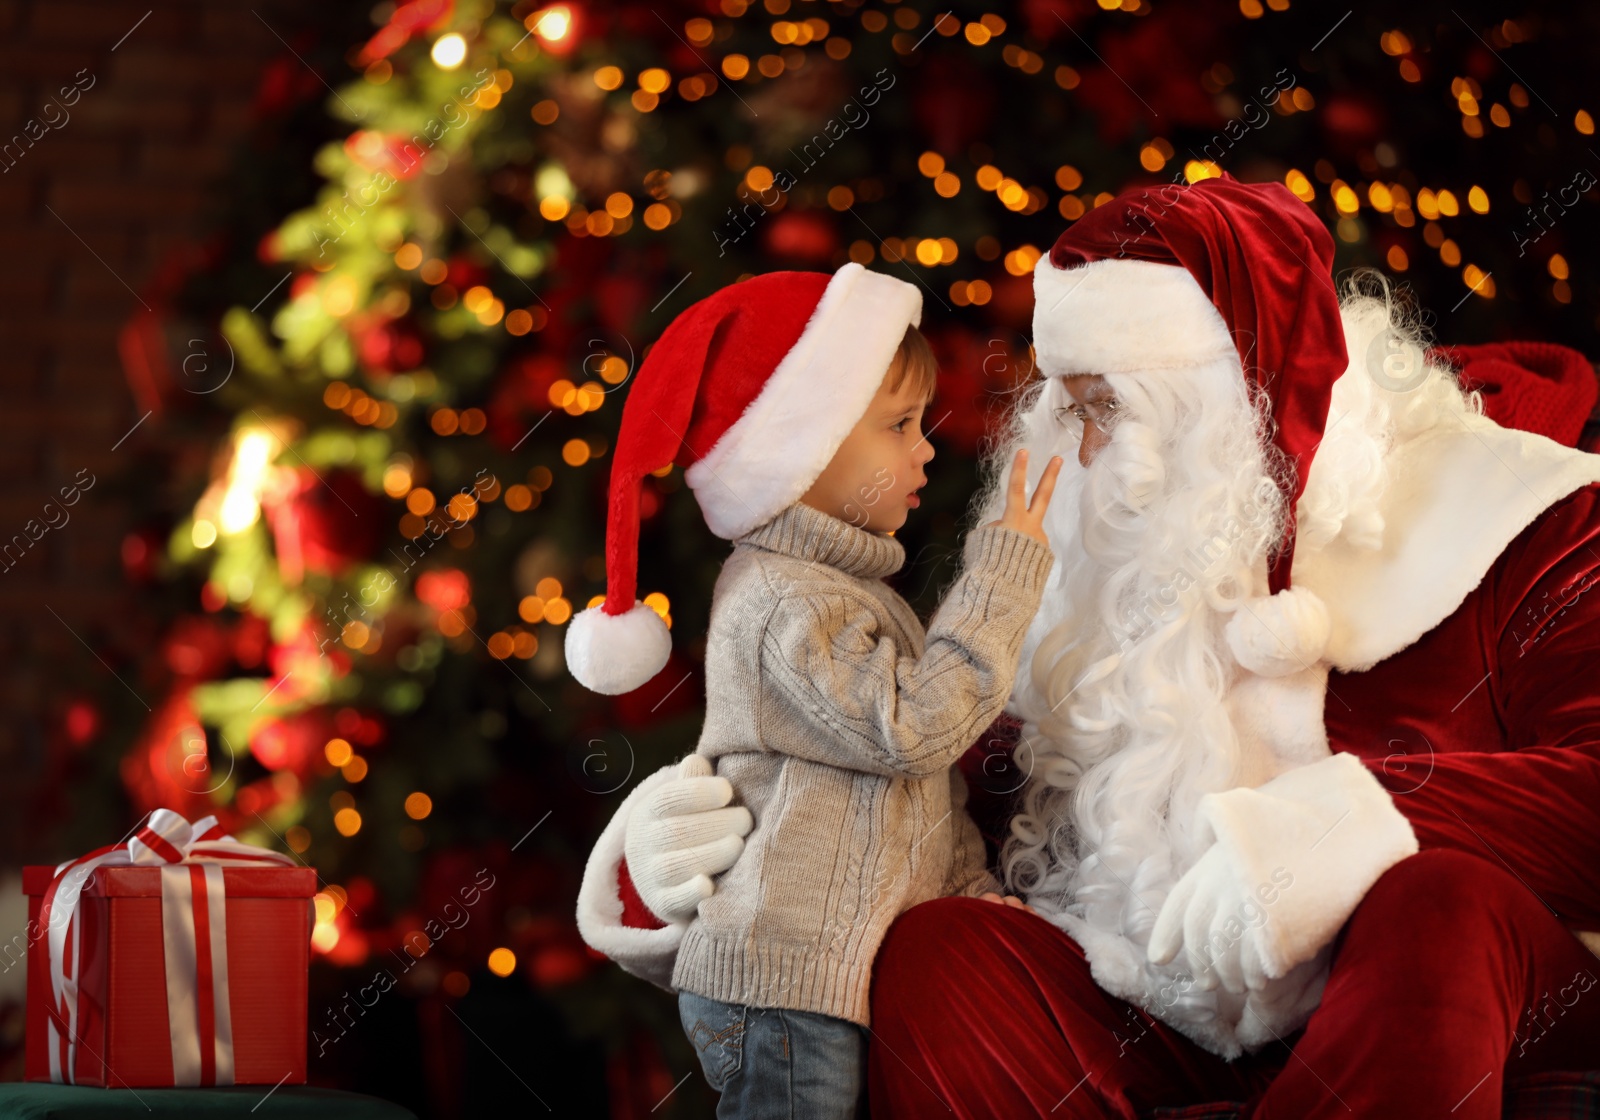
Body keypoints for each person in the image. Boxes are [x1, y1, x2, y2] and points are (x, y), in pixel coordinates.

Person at [575, 176, 1600, 1117]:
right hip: (1167, 1007)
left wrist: (1344, 830)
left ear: (1232, 404)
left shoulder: (1519, 514)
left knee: (1438, 902)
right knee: (942, 954)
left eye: (1103, 407)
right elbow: (911, 789)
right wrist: (696, 843)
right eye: (1064, 407)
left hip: (1465, 1001)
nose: (1076, 451)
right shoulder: (1103, 552)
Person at [567, 261, 1064, 1118]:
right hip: (783, 987)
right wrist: (1003, 574)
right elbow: (915, 731)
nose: (926, 448)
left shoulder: (845, 595)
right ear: (802, 453)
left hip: (822, 984)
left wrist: (983, 907)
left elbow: (910, 801)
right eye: (899, 425)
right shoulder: (783, 604)